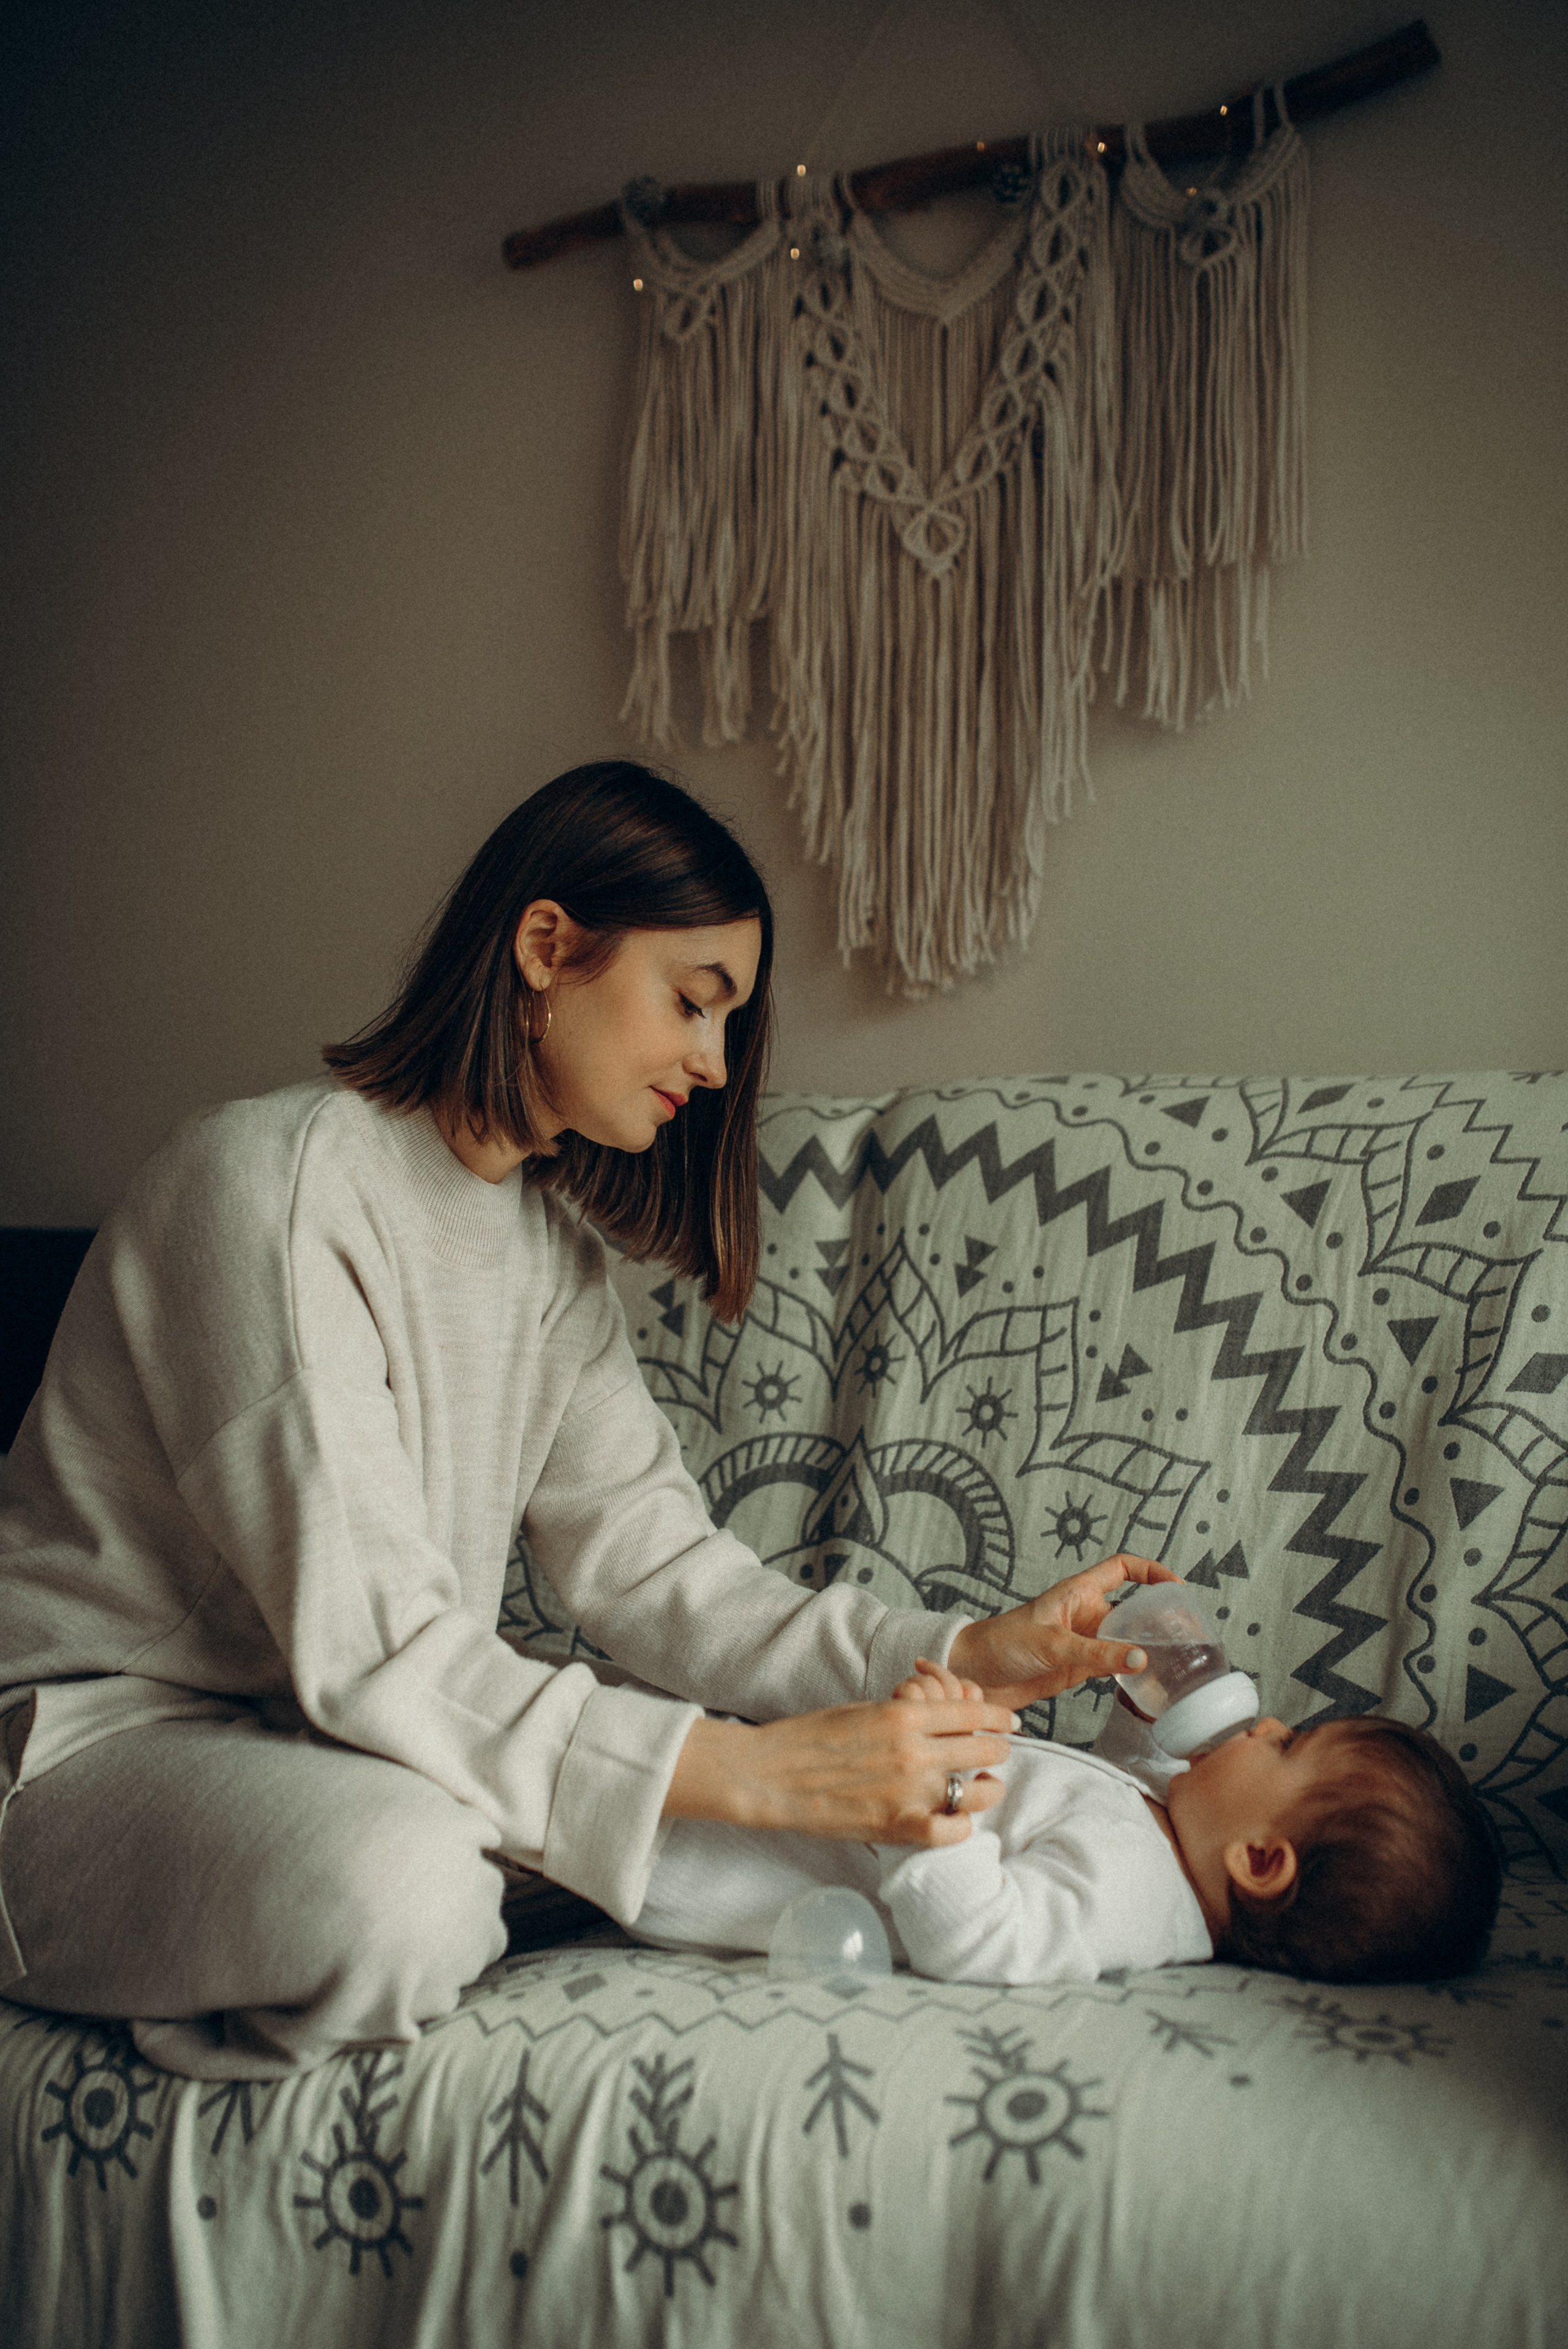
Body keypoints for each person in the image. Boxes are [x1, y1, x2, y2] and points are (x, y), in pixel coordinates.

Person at [0, 760, 1162, 2081]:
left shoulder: (550, 1259)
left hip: (330, 1750)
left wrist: (963, 1645)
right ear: (547, 948)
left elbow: (664, 1576)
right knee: (414, 1885)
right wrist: (753, 1769)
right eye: (691, 1003)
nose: (715, 1066)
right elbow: (374, 1640)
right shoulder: (265, 1187)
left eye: (727, 1023)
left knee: (641, 1842)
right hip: (83, 1749)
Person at [635, 1656, 1503, 1987]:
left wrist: (943, 1799)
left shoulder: (1137, 1899)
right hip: (727, 1768)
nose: (1269, 1725)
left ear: (1262, 1859)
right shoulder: (1170, 1823)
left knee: (560, 1766)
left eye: (1289, 1746)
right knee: (594, 1709)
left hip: (699, 1854)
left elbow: (990, 1938)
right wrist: (1139, 1705)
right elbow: (1108, 1784)